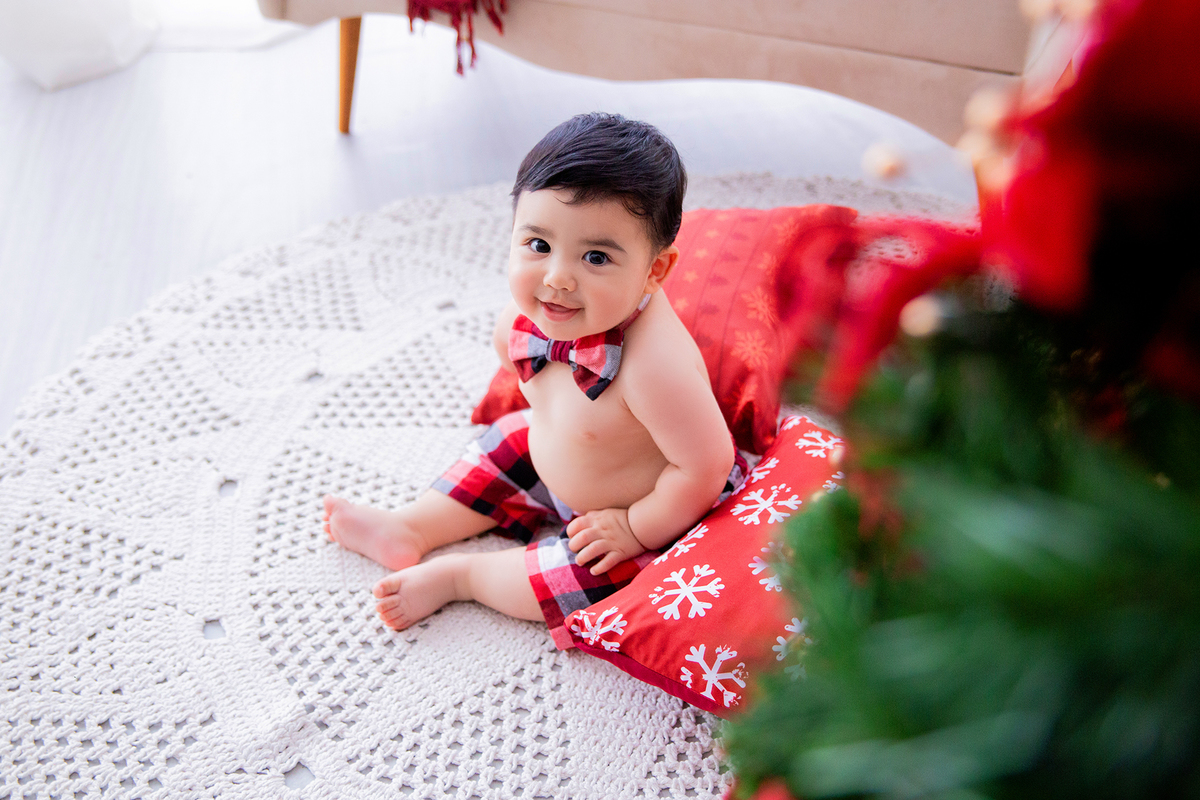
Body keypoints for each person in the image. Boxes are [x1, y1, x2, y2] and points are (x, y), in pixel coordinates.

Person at [322, 113, 744, 648]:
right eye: (538, 245)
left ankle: (465, 578)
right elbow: (539, 395)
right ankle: (411, 526)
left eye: (596, 257)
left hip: (650, 514)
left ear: (655, 272)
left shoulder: (655, 367)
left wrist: (636, 526)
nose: (557, 278)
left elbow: (706, 466)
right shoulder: (528, 320)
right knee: (507, 440)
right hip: (570, 465)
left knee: (598, 580)